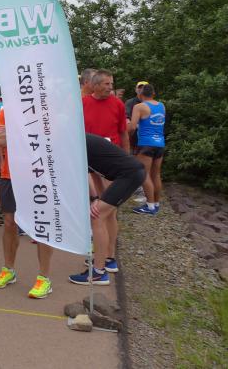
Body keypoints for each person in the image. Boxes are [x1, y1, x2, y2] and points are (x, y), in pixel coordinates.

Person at [0, 106, 55, 299]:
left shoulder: (43, 110)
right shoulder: (4, 112)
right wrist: (29, 136)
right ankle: (8, 270)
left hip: (38, 175)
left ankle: (44, 278)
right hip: (10, 175)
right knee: (9, 223)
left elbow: (49, 140)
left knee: (41, 225)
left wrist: (15, 136)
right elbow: (0, 140)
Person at [69, 134, 145, 285]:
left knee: (96, 216)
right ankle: (109, 259)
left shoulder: (75, 144)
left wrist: (95, 201)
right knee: (108, 213)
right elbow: (95, 174)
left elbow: (83, 176)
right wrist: (98, 198)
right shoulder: (79, 140)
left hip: (129, 175)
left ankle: (98, 273)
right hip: (131, 173)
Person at [81, 69, 130, 277]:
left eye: (111, 84)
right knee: (96, 208)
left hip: (113, 163)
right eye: (107, 84)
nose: (110, 87)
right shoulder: (83, 103)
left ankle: (109, 257)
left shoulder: (117, 104)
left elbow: (123, 132)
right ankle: (100, 253)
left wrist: (127, 157)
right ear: (95, 85)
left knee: (109, 210)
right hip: (91, 161)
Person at [129, 83, 166, 215]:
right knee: (156, 175)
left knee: (144, 174)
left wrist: (125, 133)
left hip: (146, 144)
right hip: (160, 143)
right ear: (153, 93)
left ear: (140, 94)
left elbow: (132, 127)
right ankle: (156, 203)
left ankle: (149, 207)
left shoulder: (139, 107)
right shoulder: (162, 106)